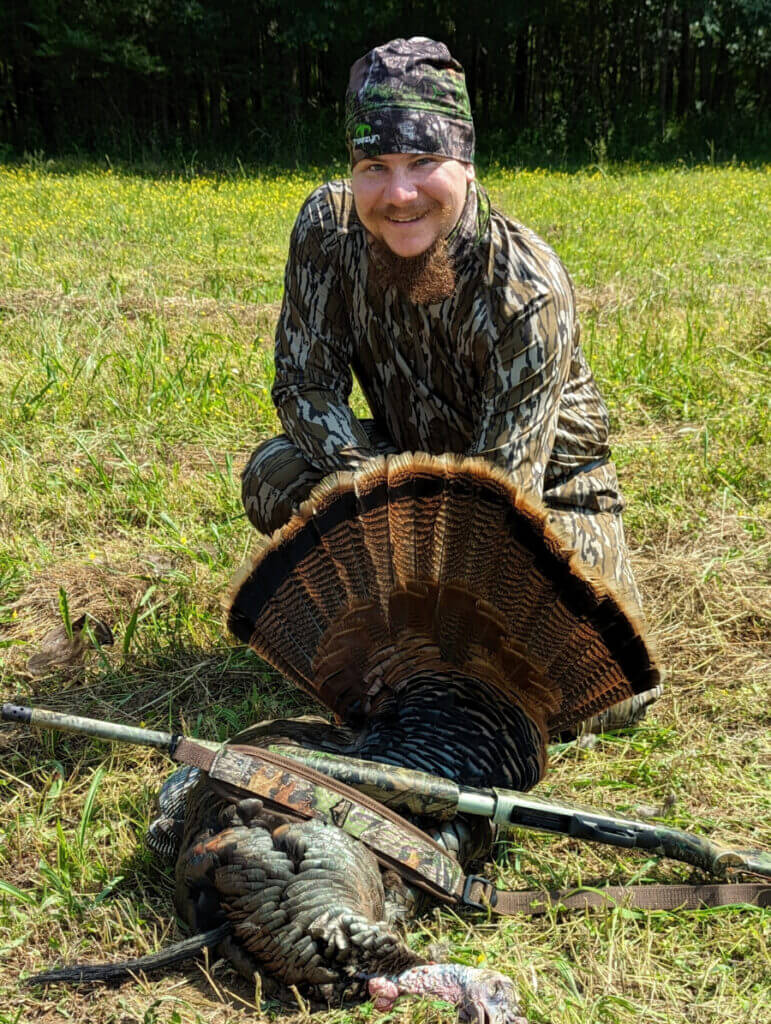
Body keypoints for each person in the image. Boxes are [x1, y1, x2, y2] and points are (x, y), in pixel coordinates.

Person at [241, 37, 660, 731]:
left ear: (465, 164)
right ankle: (391, 637)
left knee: (607, 693)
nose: (398, 194)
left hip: (542, 497)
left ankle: (410, 650)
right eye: (374, 166)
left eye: (424, 163)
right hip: (401, 466)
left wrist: (412, 586)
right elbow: (303, 388)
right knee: (272, 474)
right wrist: (373, 494)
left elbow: (504, 503)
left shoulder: (522, 284)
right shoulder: (326, 225)